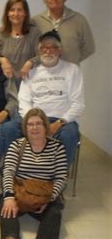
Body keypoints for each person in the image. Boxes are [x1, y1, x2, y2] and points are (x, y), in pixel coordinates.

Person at [0, 108, 71, 239]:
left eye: (38, 124)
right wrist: (9, 198)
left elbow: (61, 177)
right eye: (30, 124)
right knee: (4, 205)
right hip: (20, 192)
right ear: (25, 128)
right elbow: (8, 172)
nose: (34, 128)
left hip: (45, 193)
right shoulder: (17, 145)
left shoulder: (57, 148)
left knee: (54, 209)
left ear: (45, 126)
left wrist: (49, 198)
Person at [13, 31, 85, 166]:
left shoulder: (72, 70)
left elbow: (78, 104)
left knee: (68, 136)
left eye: (52, 47)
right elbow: (24, 102)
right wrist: (35, 123)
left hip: (63, 120)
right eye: (44, 47)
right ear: (39, 51)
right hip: (34, 117)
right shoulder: (31, 72)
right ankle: (15, 170)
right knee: (8, 130)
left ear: (60, 50)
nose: (48, 51)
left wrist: (59, 122)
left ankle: (58, 176)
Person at [32, 0, 95, 66]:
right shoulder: (35, 21)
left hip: (70, 76)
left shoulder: (79, 20)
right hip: (43, 75)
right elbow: (29, 50)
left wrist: (71, 61)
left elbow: (89, 48)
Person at [0, 0, 42, 88]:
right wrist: (2, 59)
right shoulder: (1, 32)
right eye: (12, 10)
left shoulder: (34, 32)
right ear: (7, 13)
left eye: (19, 10)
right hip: (5, 84)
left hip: (29, 82)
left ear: (25, 13)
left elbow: (42, 55)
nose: (15, 14)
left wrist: (30, 62)